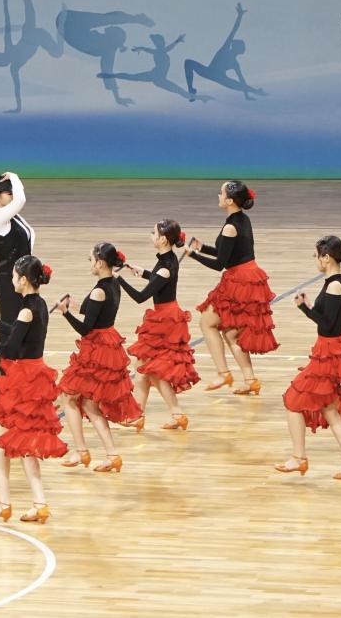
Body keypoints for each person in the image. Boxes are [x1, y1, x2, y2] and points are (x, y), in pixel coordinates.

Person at [0, 255, 67, 523]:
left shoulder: (25, 310)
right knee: (25, 444)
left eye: (13, 276)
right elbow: (23, 334)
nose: (11, 280)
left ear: (23, 280)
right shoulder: (39, 304)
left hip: (23, 381)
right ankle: (39, 504)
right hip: (37, 376)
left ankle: (4, 503)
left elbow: (8, 350)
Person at [276, 236, 341, 480]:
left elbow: (327, 324)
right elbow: (326, 318)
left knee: (293, 400)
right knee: (329, 410)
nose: (315, 259)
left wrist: (305, 308)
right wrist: (308, 306)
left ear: (326, 258)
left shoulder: (335, 285)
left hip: (330, 353)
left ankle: (299, 458)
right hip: (327, 350)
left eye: (316, 256)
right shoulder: (332, 283)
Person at [53, 242, 140, 472]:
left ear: (100, 263)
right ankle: (110, 455)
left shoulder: (99, 291)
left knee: (69, 396)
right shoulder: (112, 284)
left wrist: (65, 313)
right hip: (107, 344)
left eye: (91, 260)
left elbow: (85, 328)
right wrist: (77, 306)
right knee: (88, 404)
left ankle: (83, 452)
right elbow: (96, 312)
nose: (89, 264)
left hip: (97, 349)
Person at [188, 181, 278, 395]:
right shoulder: (242, 219)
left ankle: (223, 373)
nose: (218, 195)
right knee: (230, 334)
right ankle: (250, 380)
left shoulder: (230, 227)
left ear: (229, 201)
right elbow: (228, 253)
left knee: (206, 323)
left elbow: (220, 263)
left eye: (221, 193)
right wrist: (202, 248)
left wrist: (194, 255)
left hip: (240, 280)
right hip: (249, 275)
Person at [119, 220, 199, 431]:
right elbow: (161, 280)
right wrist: (143, 272)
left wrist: (118, 280)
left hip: (165, 322)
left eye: (153, 232)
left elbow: (140, 297)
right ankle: (146, 414)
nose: (151, 235)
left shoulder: (165, 266)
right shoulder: (168, 259)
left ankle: (162, 413)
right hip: (166, 316)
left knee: (149, 369)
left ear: (163, 239)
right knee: (145, 369)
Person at [0, 171, 34, 323]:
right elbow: (21, 199)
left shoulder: (12, 216)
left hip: (21, 280)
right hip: (8, 283)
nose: (13, 196)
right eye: (9, 193)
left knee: (23, 327)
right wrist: (14, 176)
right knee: (11, 328)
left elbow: (29, 238)